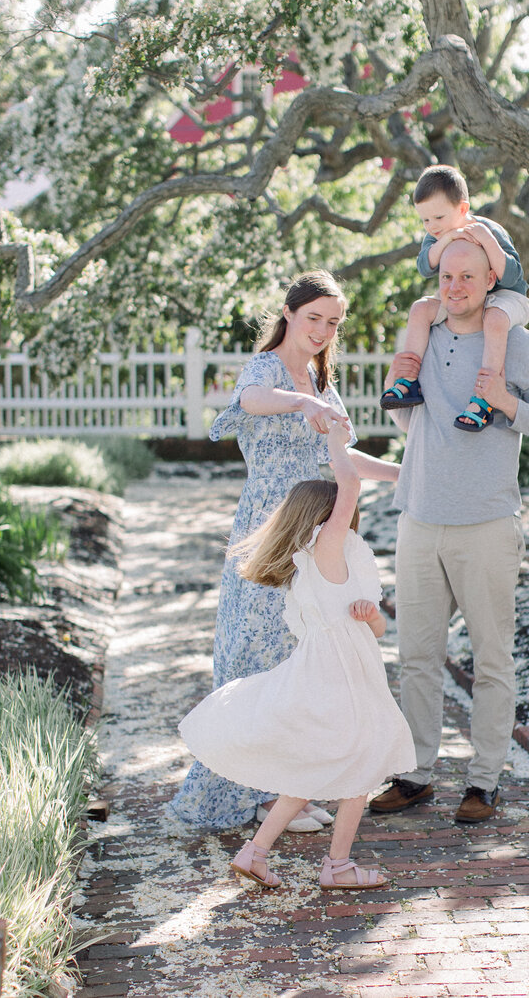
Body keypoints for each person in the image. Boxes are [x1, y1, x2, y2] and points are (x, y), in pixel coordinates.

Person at [169, 270, 400, 832]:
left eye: (333, 322)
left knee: (302, 658)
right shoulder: (268, 370)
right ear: (291, 313)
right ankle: (253, 795)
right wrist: (302, 403)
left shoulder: (325, 383)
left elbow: (341, 461)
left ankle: (287, 786)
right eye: (314, 317)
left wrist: (406, 472)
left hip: (315, 529)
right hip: (270, 528)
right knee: (254, 653)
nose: (322, 330)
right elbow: (252, 399)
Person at [370, 239, 529, 824]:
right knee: (416, 659)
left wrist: (505, 401)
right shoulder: (423, 337)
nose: (454, 287)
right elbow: (410, 418)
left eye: (467, 277)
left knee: (491, 661)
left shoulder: (520, 345)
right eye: (447, 277)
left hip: (486, 524)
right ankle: (415, 774)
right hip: (419, 518)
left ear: (491, 282)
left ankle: (483, 783)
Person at [178, 419, 416, 890]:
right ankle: (338, 867)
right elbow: (348, 482)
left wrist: (370, 614)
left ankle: (255, 853)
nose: (345, 512)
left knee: (324, 762)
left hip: (351, 668)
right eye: (335, 510)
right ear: (319, 519)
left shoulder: (339, 554)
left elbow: (379, 628)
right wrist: (335, 440)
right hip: (337, 674)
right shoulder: (321, 548)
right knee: (364, 759)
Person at [379, 164, 529, 432]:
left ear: (462, 209)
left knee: (494, 319)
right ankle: (409, 380)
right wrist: (448, 237)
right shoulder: (436, 237)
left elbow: (512, 276)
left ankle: (483, 399)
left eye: (438, 218)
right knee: (420, 309)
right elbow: (425, 267)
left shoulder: (489, 229)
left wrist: (485, 239)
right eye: (425, 220)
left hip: (504, 298)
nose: (431, 226)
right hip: (462, 299)